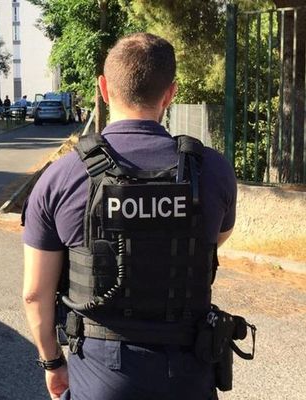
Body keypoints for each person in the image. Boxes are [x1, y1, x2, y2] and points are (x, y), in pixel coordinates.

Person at [22, 32, 238, 400]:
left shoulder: (61, 176)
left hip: (99, 377)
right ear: (170, 93)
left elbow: (34, 295)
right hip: (188, 376)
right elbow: (214, 240)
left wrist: (52, 364)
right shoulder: (212, 170)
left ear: (104, 88)